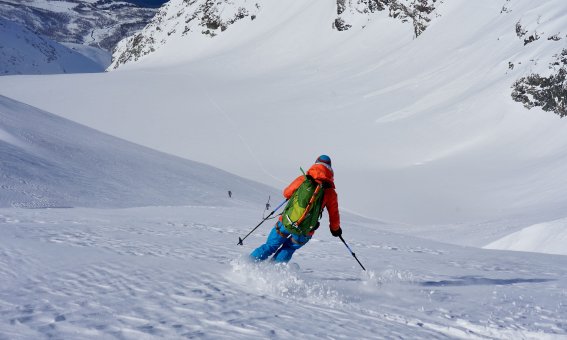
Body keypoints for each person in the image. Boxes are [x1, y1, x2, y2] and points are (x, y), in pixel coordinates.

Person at [250, 155, 341, 263]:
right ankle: (274, 272)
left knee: (270, 246)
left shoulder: (303, 179)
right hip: (305, 230)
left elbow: (286, 193)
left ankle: (248, 264)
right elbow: (334, 214)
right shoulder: (330, 192)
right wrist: (335, 230)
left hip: (287, 222)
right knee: (289, 248)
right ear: (330, 169)